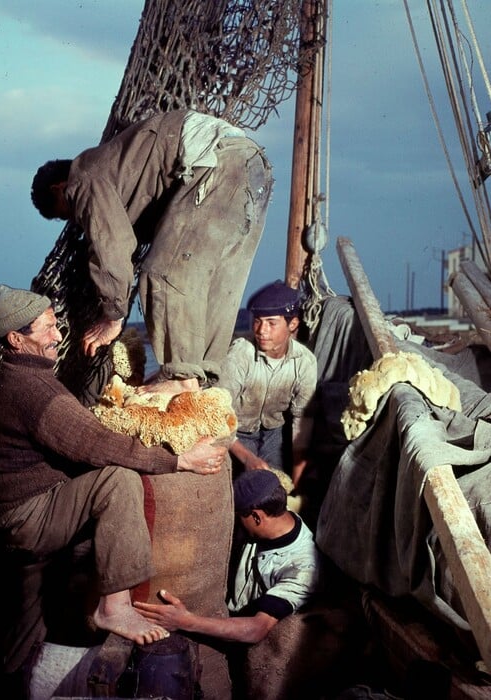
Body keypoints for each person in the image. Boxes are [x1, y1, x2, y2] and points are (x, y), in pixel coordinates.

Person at [0, 284, 228, 664]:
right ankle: (114, 606)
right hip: (28, 517)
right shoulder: (31, 389)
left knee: (23, 639)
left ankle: (19, 679)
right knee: (117, 480)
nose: (57, 336)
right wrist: (178, 461)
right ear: (16, 338)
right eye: (47, 328)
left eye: (55, 325)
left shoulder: (19, 376)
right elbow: (97, 443)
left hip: (14, 517)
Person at [31, 109, 272, 395]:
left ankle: (181, 375)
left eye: (65, 212)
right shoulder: (117, 166)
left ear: (59, 187)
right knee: (215, 284)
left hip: (217, 163)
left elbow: (112, 242)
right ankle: (202, 378)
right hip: (253, 166)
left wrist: (113, 315)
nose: (75, 219)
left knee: (162, 274)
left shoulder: (82, 178)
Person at [134, 469, 322, 643]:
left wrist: (185, 621)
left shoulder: (302, 568)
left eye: (239, 516)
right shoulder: (275, 519)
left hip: (252, 644)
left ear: (256, 517)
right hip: (227, 617)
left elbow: (257, 629)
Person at [217, 280, 317, 489]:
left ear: (292, 324)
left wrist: (296, 486)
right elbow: (219, 414)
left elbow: (302, 427)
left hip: (275, 433)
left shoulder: (305, 362)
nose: (261, 330)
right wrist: (246, 458)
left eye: (271, 323)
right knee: (240, 489)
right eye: (257, 321)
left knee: (276, 488)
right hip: (235, 432)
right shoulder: (240, 353)